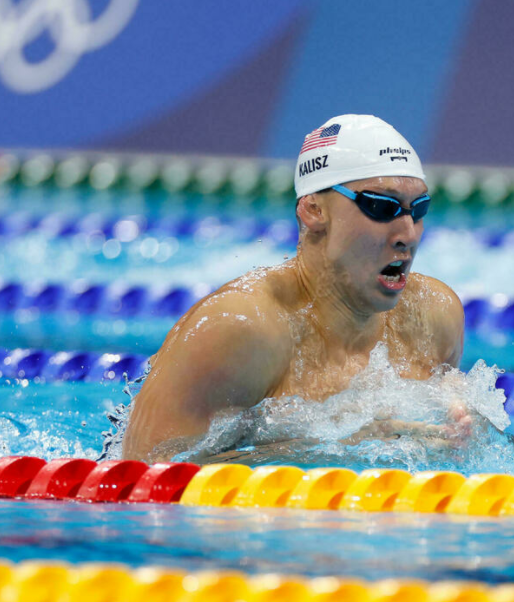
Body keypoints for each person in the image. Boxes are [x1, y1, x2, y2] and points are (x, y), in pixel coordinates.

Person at [121, 115, 469, 462]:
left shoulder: (432, 318)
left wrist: (464, 423)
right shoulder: (241, 329)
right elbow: (140, 479)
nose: (407, 234)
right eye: (380, 207)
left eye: (418, 209)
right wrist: (332, 450)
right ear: (313, 210)